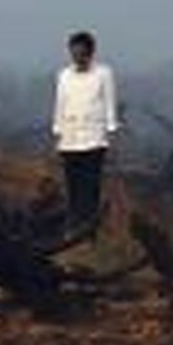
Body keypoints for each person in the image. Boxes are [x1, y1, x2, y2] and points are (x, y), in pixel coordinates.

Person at [51, 30, 119, 229]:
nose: (77, 57)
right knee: (73, 185)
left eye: (80, 53)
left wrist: (111, 129)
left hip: (94, 139)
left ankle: (89, 225)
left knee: (90, 186)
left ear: (90, 53)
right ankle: (74, 224)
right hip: (70, 139)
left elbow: (109, 102)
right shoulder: (64, 75)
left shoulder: (103, 73)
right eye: (73, 52)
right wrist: (57, 131)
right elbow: (60, 103)